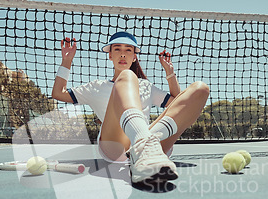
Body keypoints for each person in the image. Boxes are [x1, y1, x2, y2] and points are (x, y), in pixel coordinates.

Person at [52, 31, 209, 184]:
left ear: (134, 57)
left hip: (155, 146)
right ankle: (142, 142)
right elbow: (59, 93)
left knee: (200, 89)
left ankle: (144, 147)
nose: (122, 54)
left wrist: (170, 73)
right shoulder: (96, 87)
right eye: (117, 49)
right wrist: (67, 61)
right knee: (127, 76)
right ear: (110, 55)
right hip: (115, 147)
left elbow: (177, 103)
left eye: (128, 50)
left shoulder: (147, 86)